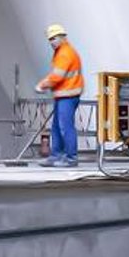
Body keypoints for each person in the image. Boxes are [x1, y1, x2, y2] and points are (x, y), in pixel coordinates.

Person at [40, 24, 83, 167]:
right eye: (50, 39)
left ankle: (71, 158)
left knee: (65, 127)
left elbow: (57, 76)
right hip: (63, 95)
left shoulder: (65, 53)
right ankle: (55, 155)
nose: (52, 41)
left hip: (68, 96)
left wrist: (42, 85)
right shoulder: (61, 51)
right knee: (57, 127)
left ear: (62, 37)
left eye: (54, 38)